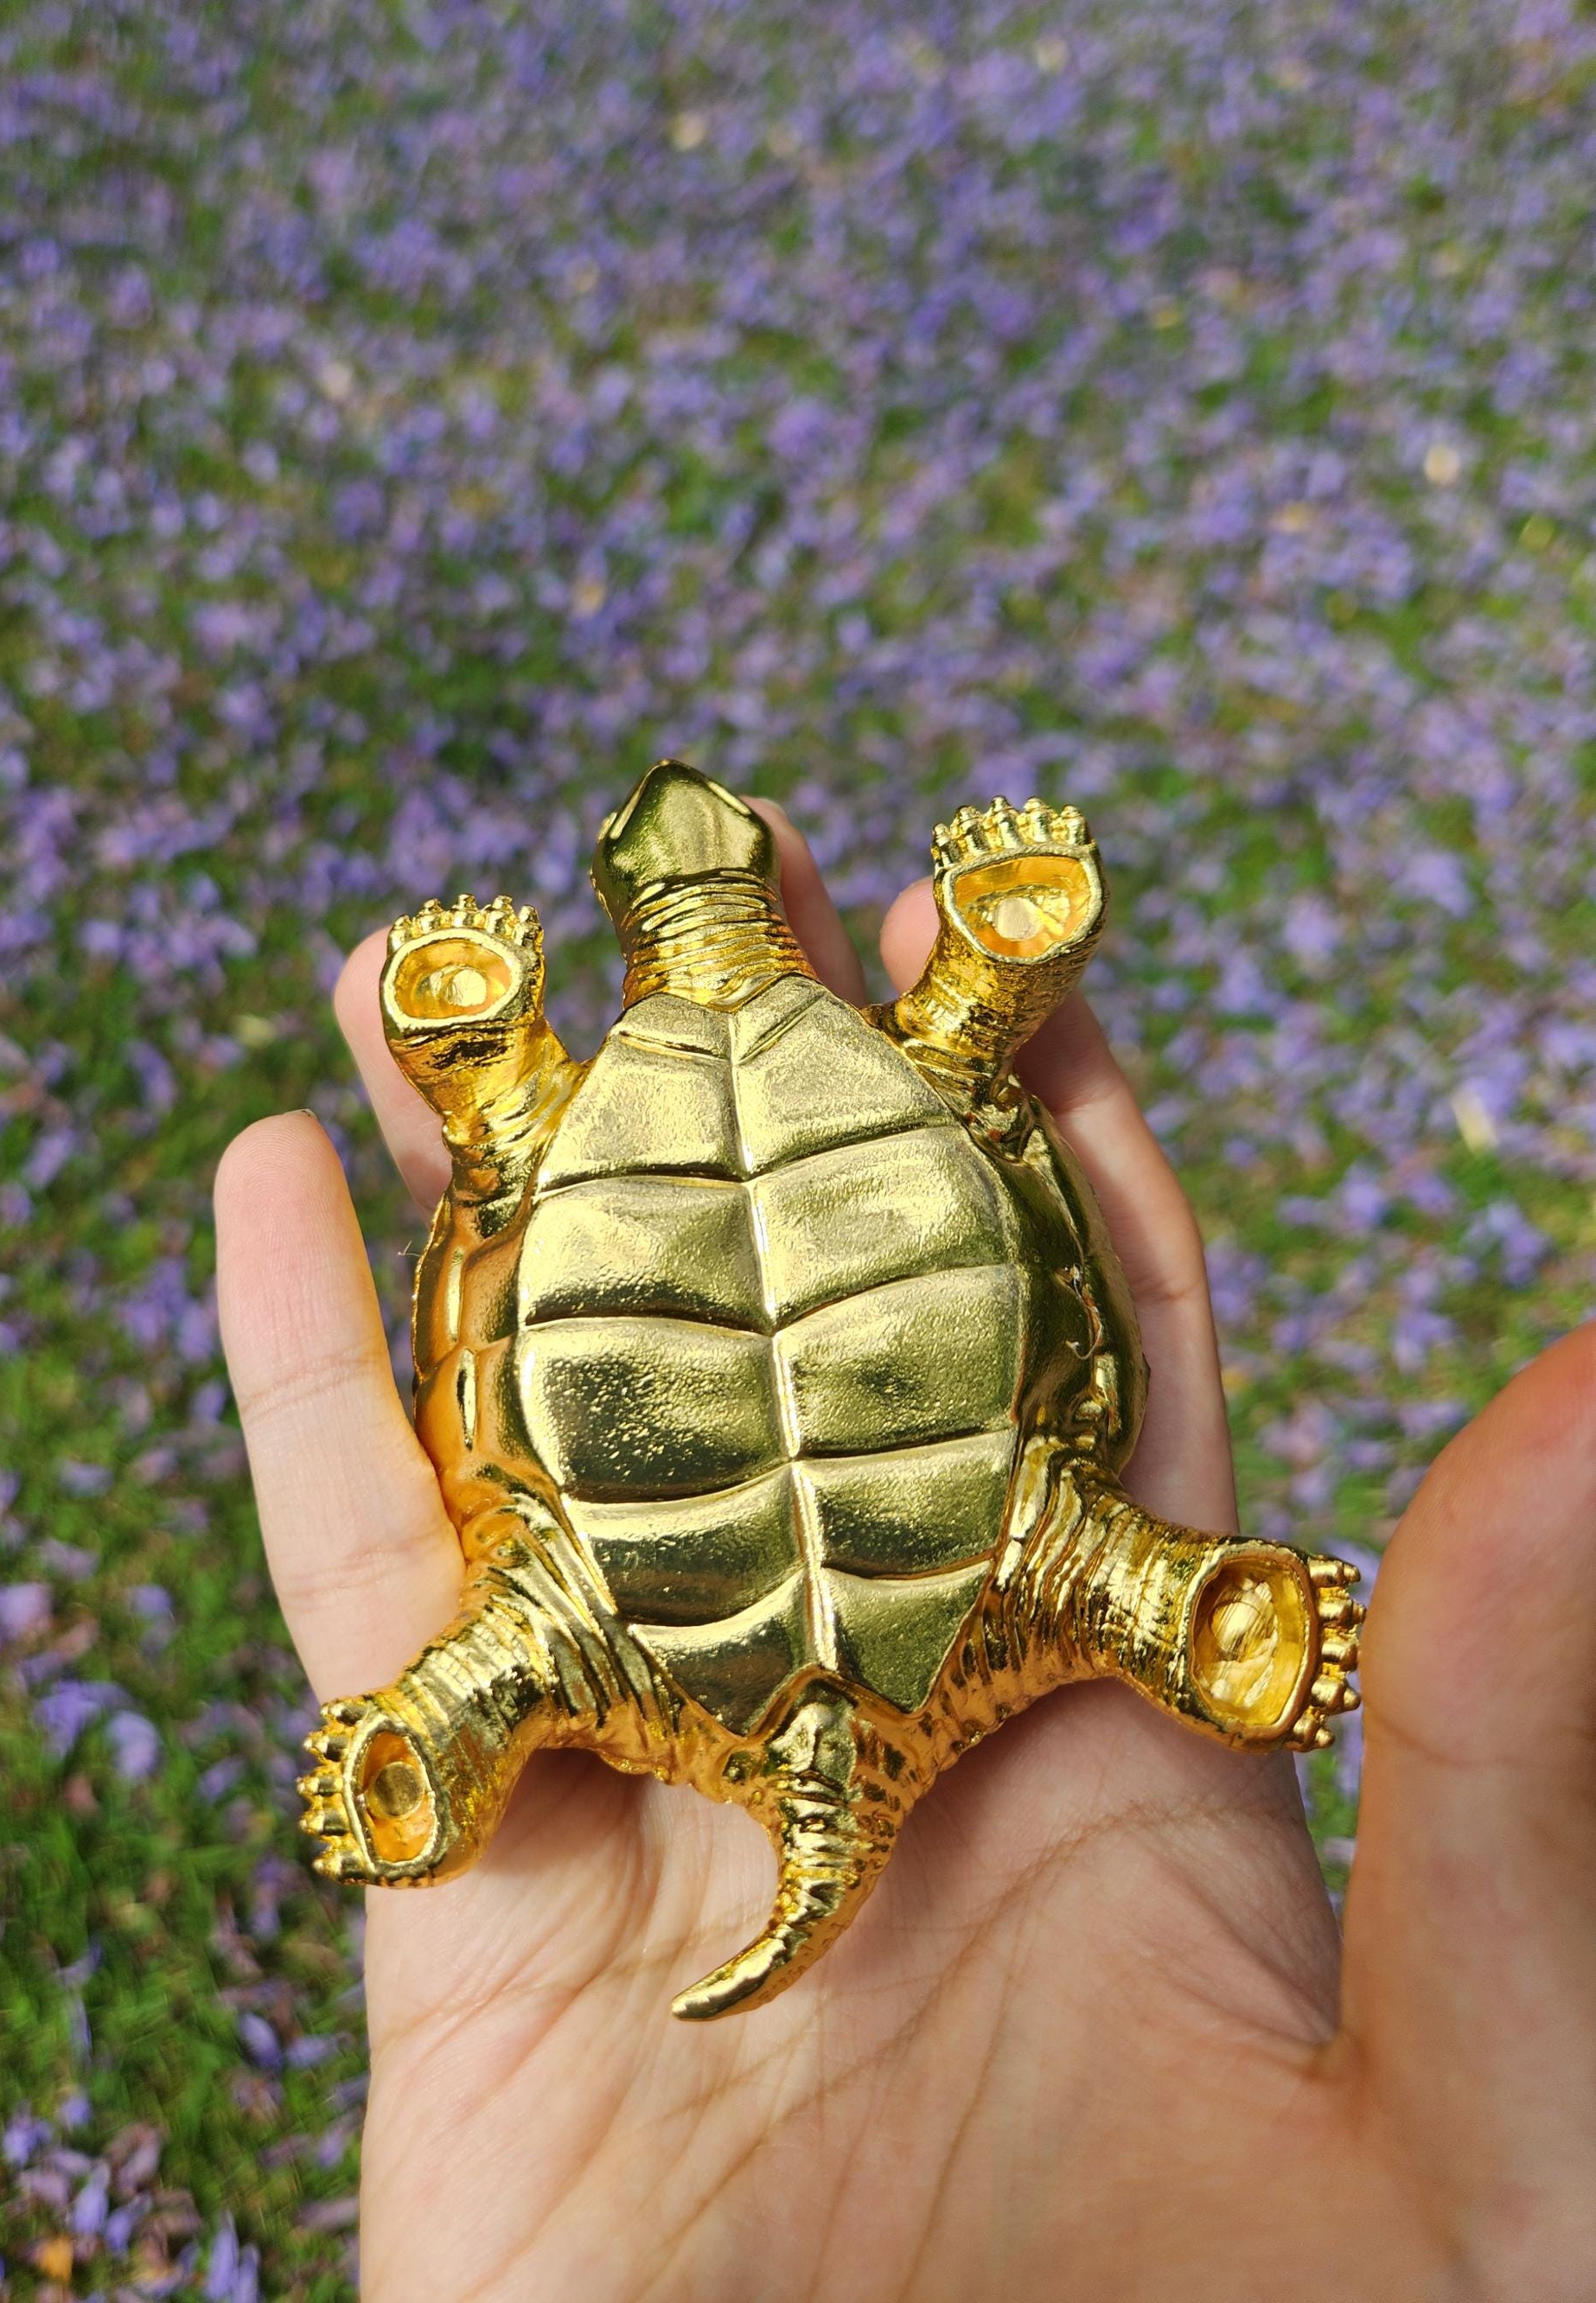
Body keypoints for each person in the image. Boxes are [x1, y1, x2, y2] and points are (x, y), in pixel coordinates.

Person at [214, 803, 1596, 2301]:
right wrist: (997, 969)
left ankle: (451, 1729)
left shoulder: (569, 1115)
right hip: (1000, 1535)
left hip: (603, 1596)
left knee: (508, 1163)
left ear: (621, 909)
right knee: (974, 1141)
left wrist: (480, 1063)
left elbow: (503, 1191)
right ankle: (1170, 1610)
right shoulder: (908, 1058)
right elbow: (974, 1099)